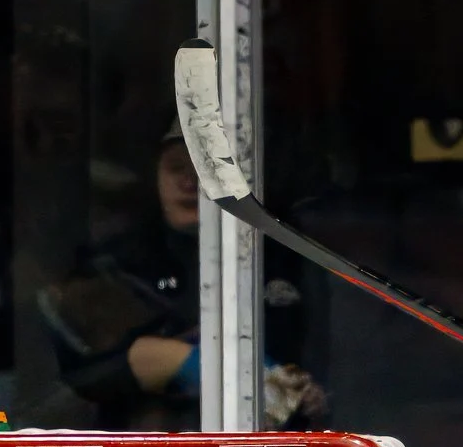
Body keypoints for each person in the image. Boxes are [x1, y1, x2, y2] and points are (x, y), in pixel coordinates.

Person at [41, 125, 324, 431]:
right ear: (155, 176)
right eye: (176, 167)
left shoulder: (283, 257)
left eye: (205, 166)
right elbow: (79, 374)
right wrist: (173, 360)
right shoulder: (117, 264)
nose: (189, 182)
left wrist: (304, 395)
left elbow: (316, 370)